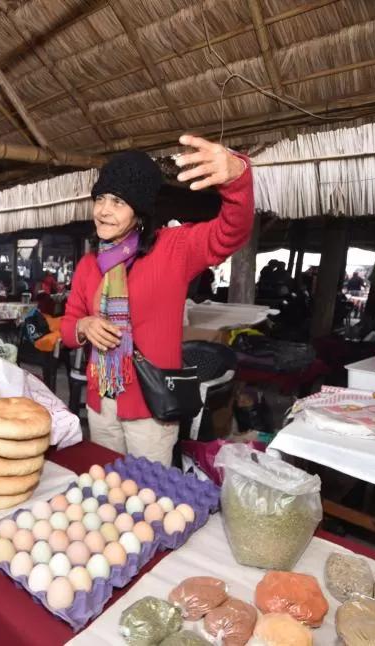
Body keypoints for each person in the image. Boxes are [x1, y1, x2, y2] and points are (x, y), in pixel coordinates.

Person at [62, 137, 254, 466]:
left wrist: (238, 179)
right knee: (108, 494)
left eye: (118, 202)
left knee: (150, 500)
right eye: (101, 199)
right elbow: (67, 328)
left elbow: (231, 232)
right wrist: (83, 325)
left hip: (151, 409)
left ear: (140, 213)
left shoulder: (173, 249)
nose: (104, 210)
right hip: (102, 405)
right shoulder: (88, 265)